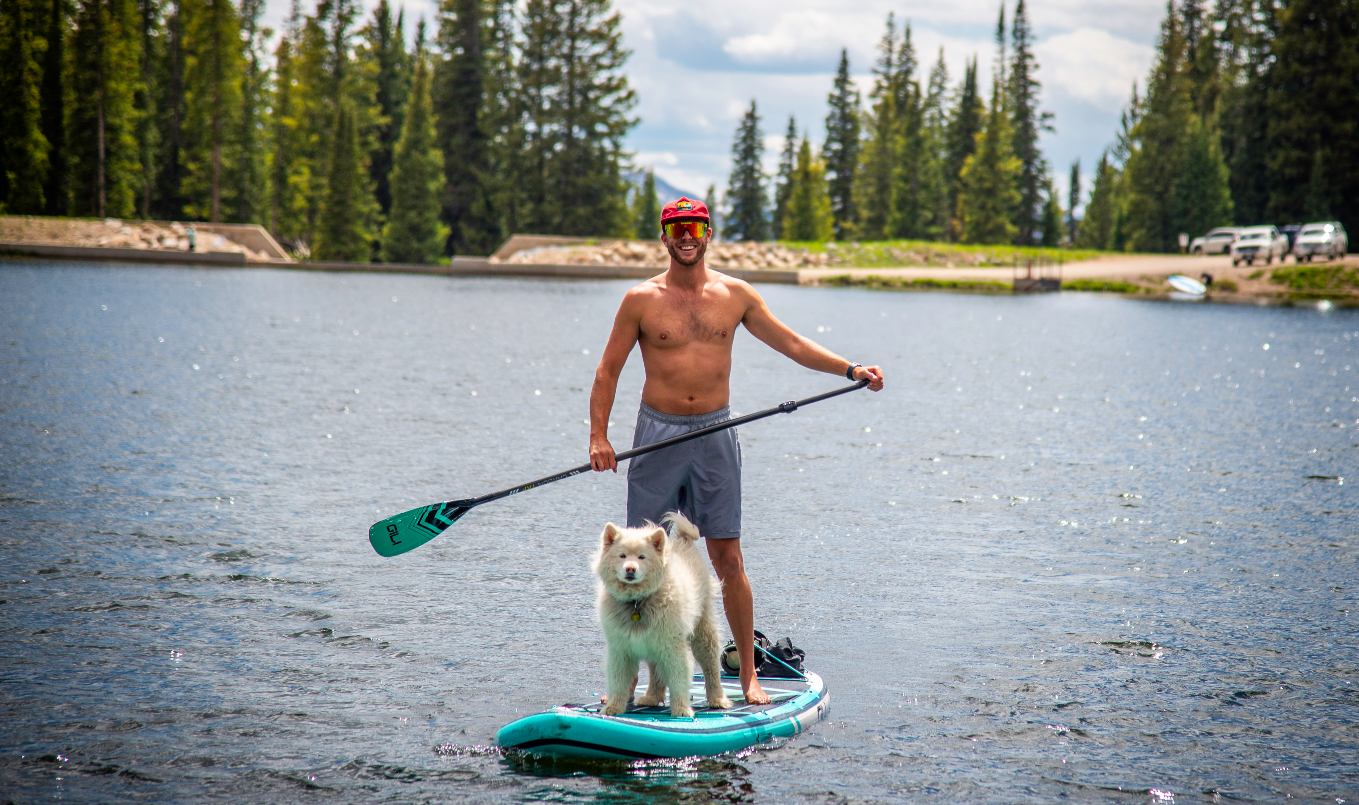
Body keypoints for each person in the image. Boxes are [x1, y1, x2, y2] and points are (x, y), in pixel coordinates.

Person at [588, 197, 884, 704]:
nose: (686, 236)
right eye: (676, 228)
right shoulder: (640, 299)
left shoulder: (735, 294)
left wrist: (850, 369)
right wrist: (599, 436)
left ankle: (747, 674)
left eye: (694, 227)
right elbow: (607, 370)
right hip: (657, 437)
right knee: (643, 558)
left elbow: (792, 344)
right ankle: (640, 683)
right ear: (664, 237)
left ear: (708, 234)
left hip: (716, 434)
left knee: (728, 557)